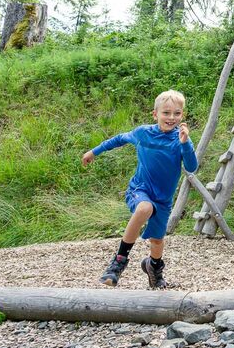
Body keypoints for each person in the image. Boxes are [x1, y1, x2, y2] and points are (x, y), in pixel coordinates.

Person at [81, 90, 197, 288]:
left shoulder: (181, 140)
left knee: (157, 241)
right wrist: (94, 151)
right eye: (166, 113)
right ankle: (118, 262)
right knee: (144, 208)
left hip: (163, 199)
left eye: (176, 114)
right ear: (155, 114)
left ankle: (154, 267)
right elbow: (119, 139)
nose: (171, 118)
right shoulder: (143, 133)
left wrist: (185, 144)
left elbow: (192, 167)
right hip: (140, 189)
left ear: (182, 115)